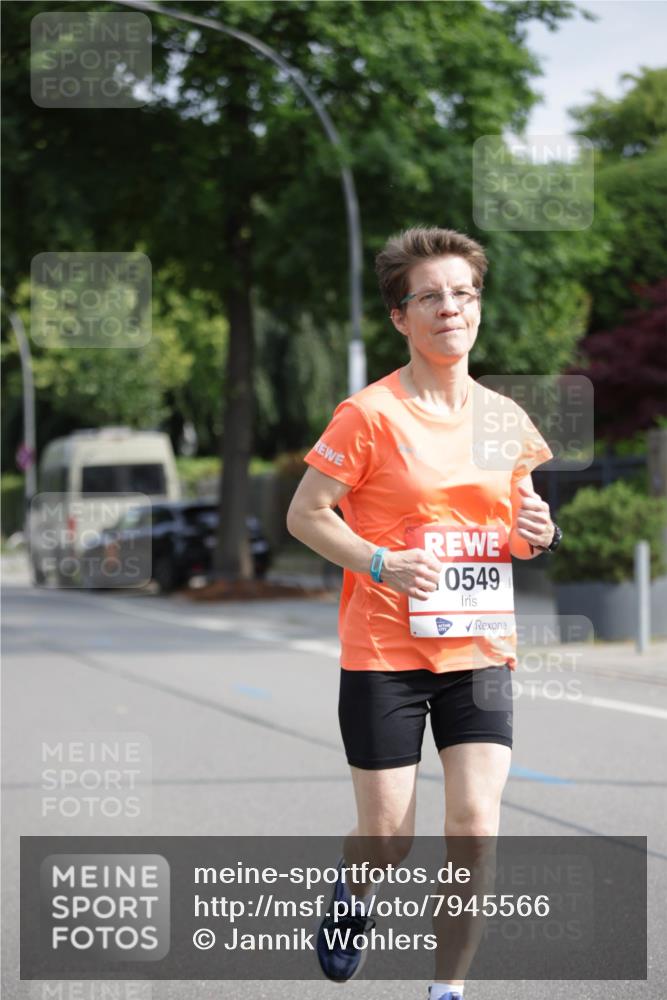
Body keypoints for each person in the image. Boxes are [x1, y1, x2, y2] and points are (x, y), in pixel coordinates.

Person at [286, 227, 561, 1000]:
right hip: (383, 654)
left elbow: (519, 523)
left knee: (475, 829)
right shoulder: (367, 415)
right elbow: (306, 515)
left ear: (478, 308)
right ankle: (353, 892)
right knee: (388, 839)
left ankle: (447, 992)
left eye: (463, 294)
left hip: (477, 649)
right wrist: (381, 562)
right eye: (430, 296)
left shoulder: (505, 418)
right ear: (400, 317)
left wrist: (537, 534)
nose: (450, 308)